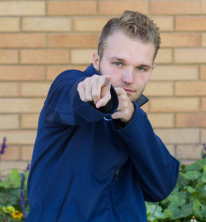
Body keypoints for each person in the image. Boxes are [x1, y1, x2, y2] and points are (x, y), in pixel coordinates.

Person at [26, 10, 179, 222]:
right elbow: (76, 99)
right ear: (97, 60)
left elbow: (161, 187)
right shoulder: (68, 85)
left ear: (151, 70)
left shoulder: (134, 119)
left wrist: (132, 121)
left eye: (141, 68)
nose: (129, 78)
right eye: (118, 64)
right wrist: (93, 94)